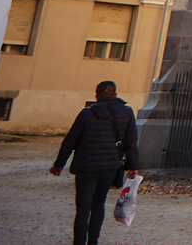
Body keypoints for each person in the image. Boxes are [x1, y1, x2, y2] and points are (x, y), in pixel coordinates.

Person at [48, 80, 139, 245]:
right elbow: (131, 142)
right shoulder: (126, 112)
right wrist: (134, 166)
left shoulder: (86, 113)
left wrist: (59, 164)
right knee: (99, 204)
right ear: (116, 95)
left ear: (96, 96)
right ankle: (93, 242)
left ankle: (79, 242)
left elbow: (70, 141)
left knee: (83, 209)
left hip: (86, 165)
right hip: (109, 166)